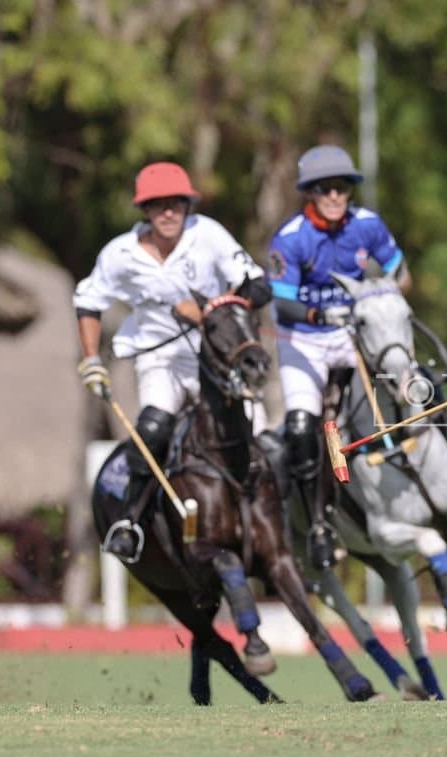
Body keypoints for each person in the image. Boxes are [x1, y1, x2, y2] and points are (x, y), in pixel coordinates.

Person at [75, 161, 272, 559]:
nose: (169, 212)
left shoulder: (209, 235)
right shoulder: (120, 254)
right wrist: (92, 359)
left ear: (188, 207)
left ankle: (272, 516)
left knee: (258, 431)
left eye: (177, 204)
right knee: (153, 427)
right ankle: (129, 520)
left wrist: (211, 311)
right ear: (145, 210)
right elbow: (87, 301)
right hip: (159, 361)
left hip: (214, 360)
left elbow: (257, 285)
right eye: (158, 205)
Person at [267, 144, 411, 569]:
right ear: (310, 193)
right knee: (300, 426)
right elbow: (282, 305)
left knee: (407, 388)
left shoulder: (367, 226)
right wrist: (320, 312)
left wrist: (383, 302)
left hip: (353, 335)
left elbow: (400, 273)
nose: (334, 197)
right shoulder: (290, 239)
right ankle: (316, 526)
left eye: (342, 189)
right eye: (324, 189)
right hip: (304, 340)